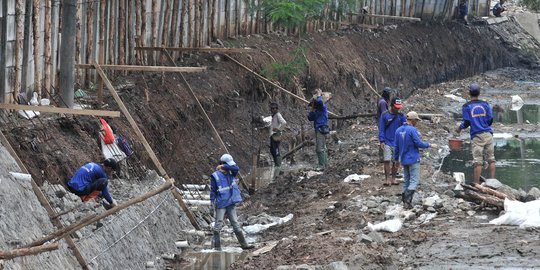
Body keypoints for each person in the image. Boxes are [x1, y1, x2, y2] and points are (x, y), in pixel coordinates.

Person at [210, 154, 254, 250]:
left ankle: (244, 245)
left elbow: (236, 168)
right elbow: (213, 190)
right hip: (221, 203)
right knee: (218, 226)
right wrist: (211, 201)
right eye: (226, 165)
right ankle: (217, 248)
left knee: (236, 225)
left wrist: (223, 166)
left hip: (230, 203)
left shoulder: (231, 173)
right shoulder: (215, 176)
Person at [455, 83, 495, 185]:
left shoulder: (467, 106)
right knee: (491, 159)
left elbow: (467, 122)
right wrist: (484, 124)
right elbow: (490, 119)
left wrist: (459, 128)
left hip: (477, 136)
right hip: (488, 134)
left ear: (469, 93)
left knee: (478, 161)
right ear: (479, 93)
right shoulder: (485, 104)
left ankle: (477, 184)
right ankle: (493, 182)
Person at [394, 111, 435, 209]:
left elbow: (396, 147)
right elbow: (418, 143)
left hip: (403, 159)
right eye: (416, 120)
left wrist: (396, 160)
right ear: (412, 120)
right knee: (414, 180)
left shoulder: (398, 130)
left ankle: (404, 201)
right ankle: (408, 201)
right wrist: (429, 145)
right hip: (413, 159)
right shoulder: (412, 130)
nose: (417, 122)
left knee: (407, 180)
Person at [378, 97, 407, 186]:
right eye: (396, 107)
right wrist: (381, 140)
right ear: (391, 106)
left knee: (396, 161)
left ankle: (393, 179)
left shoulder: (401, 116)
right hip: (387, 141)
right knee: (386, 160)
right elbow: (381, 129)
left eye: (399, 107)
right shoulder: (384, 115)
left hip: (397, 143)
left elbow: (405, 129)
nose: (397, 108)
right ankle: (387, 179)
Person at [308, 89, 329, 170]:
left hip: (321, 129)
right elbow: (310, 118)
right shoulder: (317, 111)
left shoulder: (323, 107)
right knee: (323, 147)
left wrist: (319, 95)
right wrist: (312, 109)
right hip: (319, 129)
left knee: (319, 148)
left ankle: (321, 165)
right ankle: (325, 164)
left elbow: (320, 102)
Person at [269, 102, 287, 169]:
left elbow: (284, 123)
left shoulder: (278, 115)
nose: (272, 110)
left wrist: (278, 129)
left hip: (277, 134)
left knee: (276, 149)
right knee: (272, 149)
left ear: (277, 109)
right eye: (271, 108)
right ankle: (276, 164)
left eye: (274, 108)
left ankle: (278, 165)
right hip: (273, 134)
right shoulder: (273, 115)